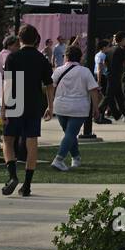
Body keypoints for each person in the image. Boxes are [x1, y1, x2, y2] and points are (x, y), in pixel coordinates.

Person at [0, 25, 55, 197]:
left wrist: (3, 107)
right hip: (34, 105)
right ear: (36, 39)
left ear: (19, 38)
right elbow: (49, 85)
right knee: (32, 142)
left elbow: (8, 84)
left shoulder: (13, 58)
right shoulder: (42, 59)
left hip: (15, 103)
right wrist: (50, 106)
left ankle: (12, 176)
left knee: (8, 140)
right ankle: (27, 185)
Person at [49, 44, 100, 172]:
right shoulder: (85, 71)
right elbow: (94, 90)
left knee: (69, 134)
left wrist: (49, 105)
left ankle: (76, 157)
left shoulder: (58, 70)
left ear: (66, 56)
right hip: (79, 107)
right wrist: (96, 107)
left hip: (60, 106)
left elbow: (50, 88)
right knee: (71, 134)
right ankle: (59, 159)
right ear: (80, 57)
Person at [105, 32, 125, 121]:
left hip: (110, 74)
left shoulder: (109, 50)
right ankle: (109, 113)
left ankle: (123, 114)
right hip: (116, 75)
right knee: (110, 96)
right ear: (122, 40)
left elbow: (106, 63)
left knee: (118, 95)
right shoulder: (121, 50)